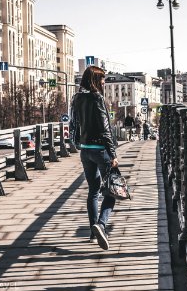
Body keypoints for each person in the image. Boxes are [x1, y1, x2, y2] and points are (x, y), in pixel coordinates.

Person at [69, 66, 119, 250]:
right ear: (95, 80)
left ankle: (93, 231)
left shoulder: (77, 98)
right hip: (100, 150)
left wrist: (77, 143)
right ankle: (102, 225)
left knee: (93, 191)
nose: (104, 82)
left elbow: (73, 124)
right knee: (112, 191)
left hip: (85, 150)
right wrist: (112, 153)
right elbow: (105, 129)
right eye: (103, 79)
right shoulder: (97, 98)